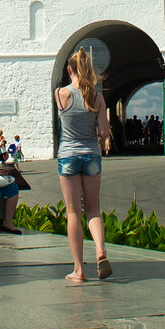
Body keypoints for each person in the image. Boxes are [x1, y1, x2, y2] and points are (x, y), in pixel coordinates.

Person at [55, 48, 113, 282]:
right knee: (93, 209)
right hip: (91, 154)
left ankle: (79, 270)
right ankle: (100, 251)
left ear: (69, 70)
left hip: (68, 154)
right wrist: (104, 137)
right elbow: (104, 130)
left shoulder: (60, 94)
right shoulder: (97, 98)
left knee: (72, 212)